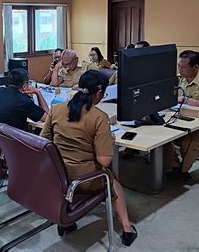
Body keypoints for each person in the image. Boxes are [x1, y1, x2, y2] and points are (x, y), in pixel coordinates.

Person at [40, 70, 137, 246]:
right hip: (83, 178)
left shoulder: (56, 109)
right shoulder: (99, 117)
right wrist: (107, 141)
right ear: (99, 94)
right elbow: (104, 161)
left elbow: (42, 142)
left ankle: (67, 221)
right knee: (113, 181)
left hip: (56, 174)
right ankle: (127, 227)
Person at [163, 50, 199, 181]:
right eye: (178, 66)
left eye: (183, 67)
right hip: (182, 117)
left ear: (196, 67)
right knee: (163, 137)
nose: (180, 69)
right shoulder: (179, 79)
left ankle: (183, 172)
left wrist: (187, 100)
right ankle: (174, 166)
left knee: (192, 139)